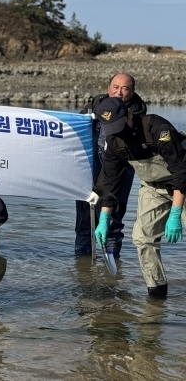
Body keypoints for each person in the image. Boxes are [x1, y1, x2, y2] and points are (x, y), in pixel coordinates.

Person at [93, 97, 186, 298]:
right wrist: (104, 219)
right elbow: (110, 182)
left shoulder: (157, 128)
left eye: (119, 124)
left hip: (182, 183)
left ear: (128, 114)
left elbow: (181, 172)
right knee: (142, 238)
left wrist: (176, 213)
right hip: (152, 188)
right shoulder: (114, 140)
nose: (117, 131)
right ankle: (156, 295)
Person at [75, 73, 147, 258]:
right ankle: (82, 260)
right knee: (85, 213)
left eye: (125, 88)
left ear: (132, 91)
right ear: (108, 87)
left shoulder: (137, 112)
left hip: (121, 166)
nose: (119, 92)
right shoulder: (97, 102)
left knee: (113, 212)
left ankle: (112, 254)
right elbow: (77, 125)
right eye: (115, 87)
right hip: (91, 165)